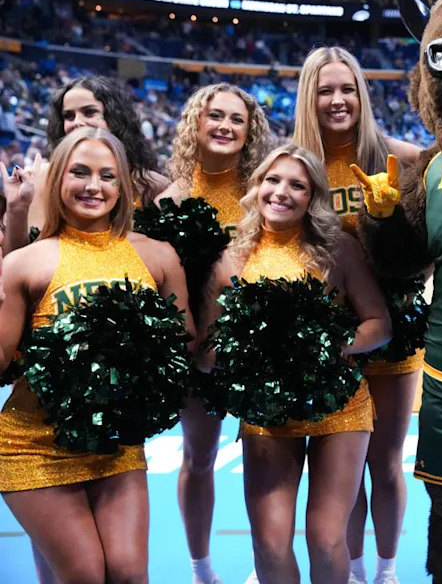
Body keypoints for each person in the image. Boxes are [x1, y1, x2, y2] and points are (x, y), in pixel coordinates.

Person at [0, 127, 193, 583]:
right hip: (34, 443)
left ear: (123, 187)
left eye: (108, 176)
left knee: (128, 573)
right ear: (57, 180)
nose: (94, 186)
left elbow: (182, 345)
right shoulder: (25, 262)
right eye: (80, 172)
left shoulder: (159, 257)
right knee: (85, 574)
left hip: (117, 444)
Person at [197, 144, 391, 583]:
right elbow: (206, 355)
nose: (281, 192)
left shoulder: (338, 249)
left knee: (325, 538)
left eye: (297, 185)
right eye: (272, 180)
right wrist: (248, 352)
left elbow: (380, 325)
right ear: (257, 186)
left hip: (338, 404)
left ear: (312, 197)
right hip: (266, 412)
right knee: (269, 542)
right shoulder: (230, 259)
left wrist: (325, 347)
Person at [291, 46, 423, 584]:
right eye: (326, 90)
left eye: (348, 89)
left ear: (363, 96)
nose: (338, 100)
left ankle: (387, 571)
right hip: (323, 342)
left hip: (389, 329)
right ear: (309, 98)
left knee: (386, 462)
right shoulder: (292, 167)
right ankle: (351, 569)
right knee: (339, 476)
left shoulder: (401, 158)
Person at [158, 82, 271, 584]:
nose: (225, 126)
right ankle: (201, 568)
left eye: (237, 119)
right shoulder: (170, 197)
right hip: (194, 351)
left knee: (267, 461)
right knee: (199, 456)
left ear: (250, 132)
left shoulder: (265, 194)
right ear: (196, 125)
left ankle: (265, 563)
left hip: (259, 351)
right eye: (215, 116)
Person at [2, 76, 170, 255]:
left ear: (115, 118)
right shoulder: (41, 177)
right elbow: (15, 262)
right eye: (69, 116)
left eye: (89, 112)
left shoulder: (152, 185)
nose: (77, 122)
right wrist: (16, 210)